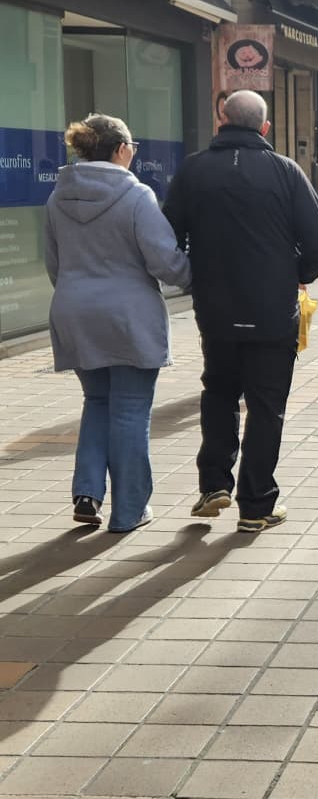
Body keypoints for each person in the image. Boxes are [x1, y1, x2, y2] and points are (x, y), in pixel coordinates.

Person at [164, 89, 318, 533]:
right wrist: (297, 275)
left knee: (218, 392)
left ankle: (213, 483)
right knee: (265, 406)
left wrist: (193, 276)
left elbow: (167, 236)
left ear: (222, 118)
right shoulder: (285, 172)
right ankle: (256, 505)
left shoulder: (194, 169)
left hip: (215, 311)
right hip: (273, 312)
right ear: (265, 127)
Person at [45, 113, 191, 534]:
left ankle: (87, 492)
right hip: (128, 316)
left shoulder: (57, 197)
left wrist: (78, 291)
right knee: (129, 410)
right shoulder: (136, 196)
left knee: (98, 402)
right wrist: (194, 275)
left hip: (74, 312)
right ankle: (128, 511)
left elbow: (54, 264)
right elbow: (164, 261)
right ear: (121, 150)